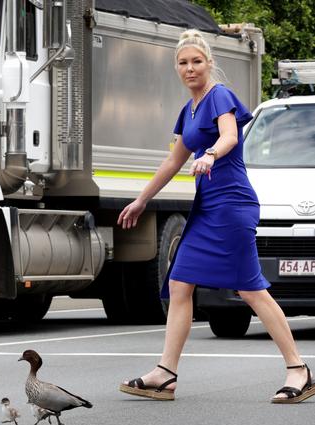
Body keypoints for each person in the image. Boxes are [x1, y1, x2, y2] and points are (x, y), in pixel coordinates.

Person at [117, 29, 314, 404]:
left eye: (197, 61)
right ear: (176, 67)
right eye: (183, 62)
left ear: (209, 63)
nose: (190, 68)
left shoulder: (219, 96)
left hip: (232, 206)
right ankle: (166, 373)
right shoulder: (188, 111)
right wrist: (141, 199)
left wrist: (210, 155)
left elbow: (229, 136)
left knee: (250, 289)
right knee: (179, 283)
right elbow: (173, 161)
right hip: (207, 209)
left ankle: (298, 370)